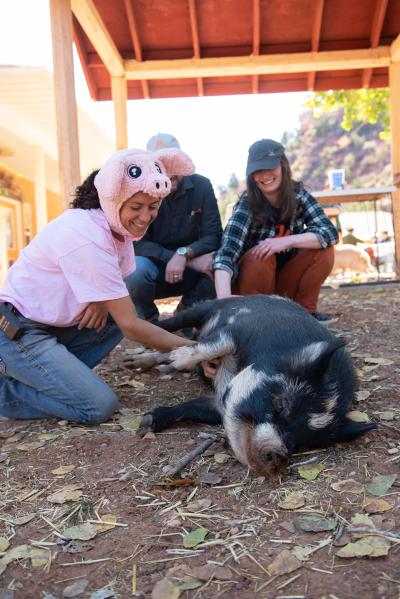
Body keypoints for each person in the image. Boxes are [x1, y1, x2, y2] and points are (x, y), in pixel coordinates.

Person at [0, 147, 196, 424]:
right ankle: (7, 390)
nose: (145, 217)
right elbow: (131, 326)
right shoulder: (86, 234)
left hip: (46, 326)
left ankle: (48, 377)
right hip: (16, 331)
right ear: (113, 198)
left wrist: (101, 300)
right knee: (98, 405)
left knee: (113, 318)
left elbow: (118, 284)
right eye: (136, 207)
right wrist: (195, 350)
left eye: (153, 207)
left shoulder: (116, 228)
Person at [212, 138, 339, 322]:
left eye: (270, 167)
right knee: (261, 255)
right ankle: (260, 317)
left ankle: (306, 314)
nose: (264, 175)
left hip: (284, 283)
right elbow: (226, 253)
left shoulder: (298, 195)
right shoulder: (247, 204)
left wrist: (286, 241)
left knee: (323, 248)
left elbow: (329, 232)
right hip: (253, 287)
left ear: (283, 166)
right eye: (258, 170)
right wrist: (223, 298)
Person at [124, 133, 222, 322]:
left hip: (194, 264)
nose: (168, 171)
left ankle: (189, 315)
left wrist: (183, 255)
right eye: (161, 165)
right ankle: (148, 324)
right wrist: (177, 258)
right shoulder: (140, 190)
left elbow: (214, 236)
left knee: (220, 263)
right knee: (135, 270)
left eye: (173, 162)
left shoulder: (202, 185)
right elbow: (136, 242)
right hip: (156, 267)